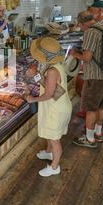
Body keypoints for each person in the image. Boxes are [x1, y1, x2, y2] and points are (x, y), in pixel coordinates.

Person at [26, 37, 72, 177]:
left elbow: (50, 94)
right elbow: (51, 87)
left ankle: (54, 167)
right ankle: (49, 152)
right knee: (50, 134)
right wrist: (36, 76)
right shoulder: (57, 66)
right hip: (57, 105)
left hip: (56, 109)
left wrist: (32, 99)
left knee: (54, 139)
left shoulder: (52, 71)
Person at [70, 12, 103, 148]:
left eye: (80, 26)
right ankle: (97, 133)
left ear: (82, 23)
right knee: (101, 105)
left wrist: (75, 54)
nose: (81, 28)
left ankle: (89, 139)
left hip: (96, 76)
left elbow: (87, 57)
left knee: (90, 108)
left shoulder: (90, 32)